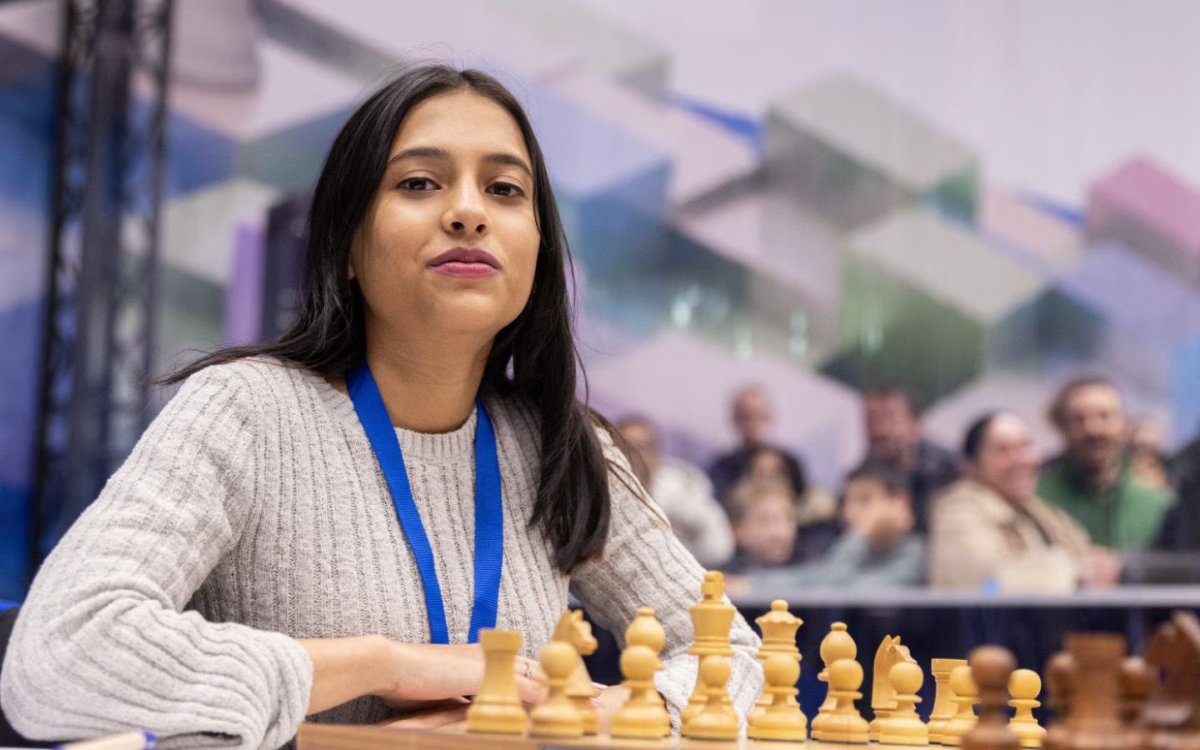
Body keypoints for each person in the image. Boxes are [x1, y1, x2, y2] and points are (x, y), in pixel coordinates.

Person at [0, 66, 762, 748]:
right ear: (348, 248)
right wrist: (386, 666)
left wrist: (595, 714)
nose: (469, 212)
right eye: (420, 183)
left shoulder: (562, 443)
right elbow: (56, 657)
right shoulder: (247, 411)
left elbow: (736, 655)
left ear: (538, 250)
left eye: (505, 190)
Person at [930, 412, 1114, 591]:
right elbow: (987, 583)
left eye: (1025, 446)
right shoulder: (958, 511)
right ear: (971, 466)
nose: (1020, 460)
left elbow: (1084, 553)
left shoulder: (1034, 508)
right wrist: (1079, 573)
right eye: (1003, 451)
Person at [739, 463, 925, 593]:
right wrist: (752, 584)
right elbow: (813, 578)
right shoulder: (844, 546)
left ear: (899, 503)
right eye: (846, 501)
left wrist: (861, 535)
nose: (849, 513)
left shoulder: (915, 554)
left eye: (864, 500)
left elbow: (834, 588)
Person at [1038, 377, 1174, 551]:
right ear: (1062, 428)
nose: (1093, 430)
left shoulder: (1158, 504)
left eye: (1105, 416)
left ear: (1124, 424)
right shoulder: (1039, 502)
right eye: (1079, 419)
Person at [615, 415, 734, 568]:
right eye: (625, 448)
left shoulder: (682, 490)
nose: (634, 456)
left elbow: (720, 547)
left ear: (656, 454)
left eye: (641, 448)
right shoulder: (604, 498)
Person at [861, 386, 959, 532]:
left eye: (889, 418)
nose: (879, 431)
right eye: (871, 420)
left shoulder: (949, 472)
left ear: (915, 424)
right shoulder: (863, 477)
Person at [707, 386, 808, 507]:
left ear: (769, 417)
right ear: (734, 419)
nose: (751, 422)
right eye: (744, 416)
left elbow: (802, 502)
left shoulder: (790, 462)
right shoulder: (722, 466)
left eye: (757, 414)